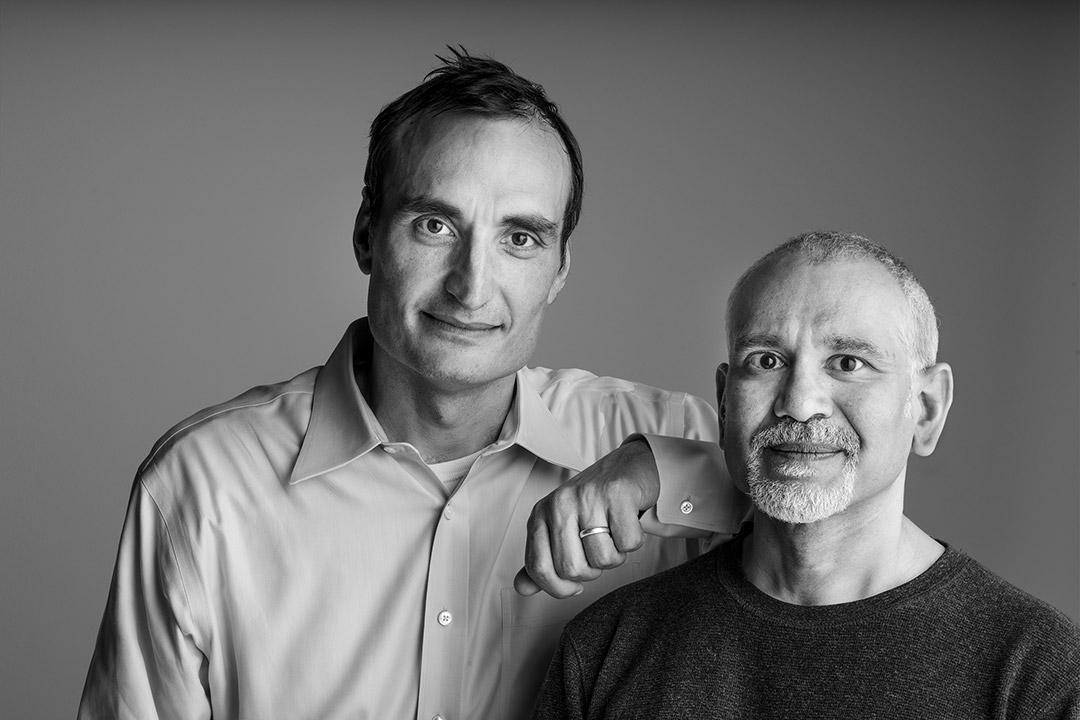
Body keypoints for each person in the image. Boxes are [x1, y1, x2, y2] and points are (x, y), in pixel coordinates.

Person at [78, 50, 748, 720]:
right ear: (367, 233)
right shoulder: (203, 485)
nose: (470, 286)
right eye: (435, 225)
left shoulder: (678, 444)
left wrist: (661, 471)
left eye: (519, 238)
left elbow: (842, 518)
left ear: (559, 270)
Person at [532, 231, 1080, 719]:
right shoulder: (607, 648)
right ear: (724, 401)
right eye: (767, 360)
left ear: (928, 408)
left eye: (848, 363)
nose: (799, 403)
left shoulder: (1038, 673)